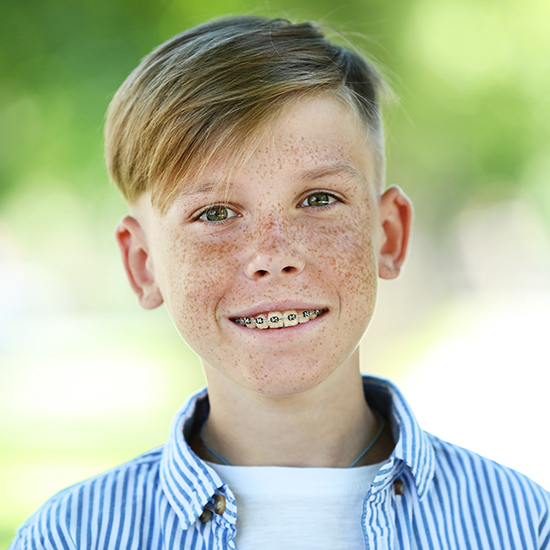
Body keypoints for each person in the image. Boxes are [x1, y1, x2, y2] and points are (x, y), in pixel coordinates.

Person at [9, 15, 550, 550]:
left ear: (388, 234)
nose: (272, 256)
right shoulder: (72, 536)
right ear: (143, 264)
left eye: (318, 200)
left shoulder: (524, 526)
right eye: (216, 212)